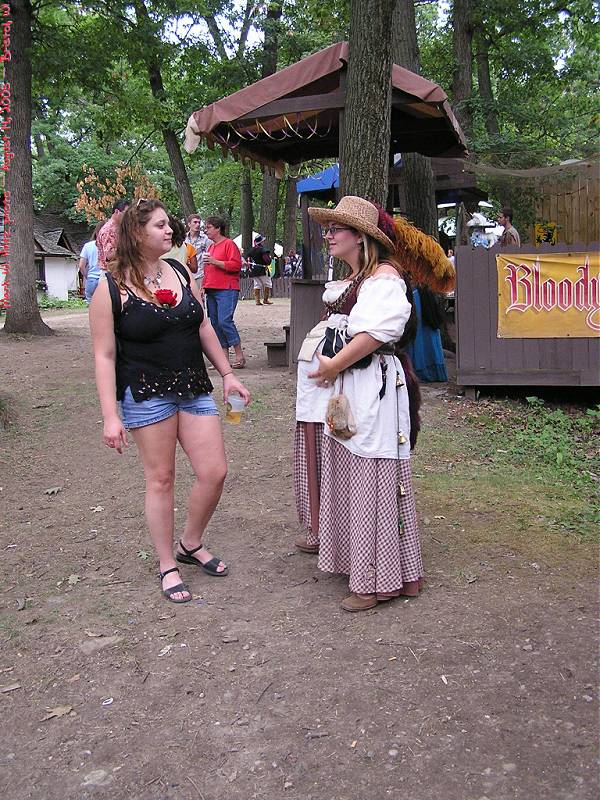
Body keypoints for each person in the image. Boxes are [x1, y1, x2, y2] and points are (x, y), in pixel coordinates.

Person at [89, 199, 250, 603]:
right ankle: (167, 564)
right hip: (145, 394)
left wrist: (228, 374)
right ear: (136, 233)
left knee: (214, 472)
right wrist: (111, 416)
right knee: (161, 479)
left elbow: (204, 326)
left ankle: (190, 543)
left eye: (169, 225)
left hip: (194, 388)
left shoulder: (180, 271)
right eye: (160, 225)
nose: (169, 231)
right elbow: (104, 355)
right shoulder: (110, 288)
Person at [294, 195, 424, 612]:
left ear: (362, 237)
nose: (328, 235)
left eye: (337, 229)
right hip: (359, 385)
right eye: (328, 228)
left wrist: (333, 366)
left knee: (371, 473)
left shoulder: (384, 277)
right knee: (356, 471)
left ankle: (374, 582)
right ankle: (368, 569)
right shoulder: (360, 278)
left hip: (375, 388)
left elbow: (374, 336)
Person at [202, 215, 246, 369]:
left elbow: (236, 266)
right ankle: (224, 359)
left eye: (208, 227)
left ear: (218, 228)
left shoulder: (229, 244)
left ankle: (239, 355)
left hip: (227, 288)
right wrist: (203, 285)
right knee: (214, 324)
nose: (205, 230)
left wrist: (215, 262)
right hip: (211, 289)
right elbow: (208, 269)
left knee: (224, 321)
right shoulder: (211, 247)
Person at [405, 286, 448, 382]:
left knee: (420, 333)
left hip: (419, 295)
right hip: (422, 294)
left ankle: (420, 371)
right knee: (424, 333)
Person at [97, 199, 131, 270]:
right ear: (116, 212)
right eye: (126, 214)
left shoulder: (119, 228)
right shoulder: (108, 230)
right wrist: (128, 248)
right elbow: (109, 255)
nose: (128, 217)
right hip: (110, 273)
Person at [79, 221, 104, 303]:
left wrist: (87, 276)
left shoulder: (88, 246)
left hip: (92, 279)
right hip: (105, 278)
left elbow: (81, 266)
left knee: (91, 304)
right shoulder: (110, 246)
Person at [246, 235, 273, 305]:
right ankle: (265, 300)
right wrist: (269, 261)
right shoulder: (263, 250)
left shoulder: (251, 250)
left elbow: (248, 259)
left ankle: (257, 301)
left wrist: (249, 268)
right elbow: (267, 260)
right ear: (261, 242)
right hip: (262, 269)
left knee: (257, 284)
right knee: (268, 283)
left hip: (253, 270)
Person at [185, 214, 210, 287]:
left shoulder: (205, 238)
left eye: (199, 222)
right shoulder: (183, 238)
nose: (198, 224)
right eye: (195, 222)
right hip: (187, 274)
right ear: (189, 224)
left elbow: (210, 255)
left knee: (200, 297)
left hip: (201, 275)